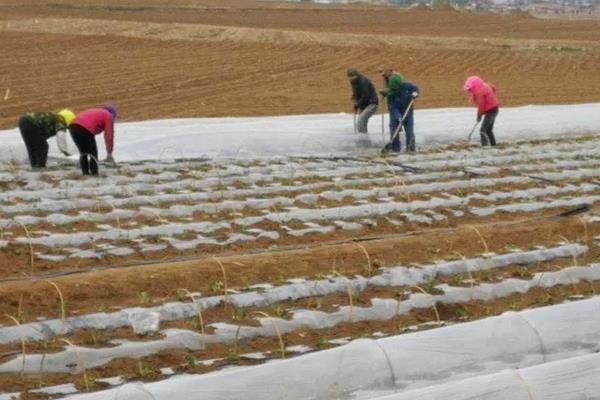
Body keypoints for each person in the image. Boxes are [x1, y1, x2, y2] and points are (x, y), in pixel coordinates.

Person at [378, 66, 419, 152]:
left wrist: (416, 93)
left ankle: (411, 148)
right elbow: (392, 108)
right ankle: (395, 149)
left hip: (408, 112)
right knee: (394, 130)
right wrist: (398, 117)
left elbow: (415, 89)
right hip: (395, 114)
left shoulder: (407, 86)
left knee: (409, 131)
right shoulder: (391, 94)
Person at [69, 105, 116, 175]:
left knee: (83, 152)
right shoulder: (108, 116)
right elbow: (109, 136)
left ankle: (85, 174)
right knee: (93, 153)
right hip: (84, 127)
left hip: (72, 126)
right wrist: (109, 153)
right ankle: (94, 175)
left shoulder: (99, 112)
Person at [464, 76, 499, 146]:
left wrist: (479, 115)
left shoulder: (479, 92)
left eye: (469, 89)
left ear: (474, 86)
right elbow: (493, 88)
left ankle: (484, 147)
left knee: (483, 130)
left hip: (491, 111)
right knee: (489, 130)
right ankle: (493, 145)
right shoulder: (484, 86)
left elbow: (481, 106)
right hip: (494, 109)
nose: (469, 91)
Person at [347, 67, 378, 134]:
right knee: (362, 122)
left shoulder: (363, 81)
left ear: (356, 74)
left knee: (361, 120)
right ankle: (364, 137)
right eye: (350, 76)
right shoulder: (353, 82)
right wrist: (354, 96)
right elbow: (356, 92)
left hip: (371, 103)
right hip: (363, 104)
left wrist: (356, 105)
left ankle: (363, 139)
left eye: (353, 76)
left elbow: (365, 95)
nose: (352, 78)